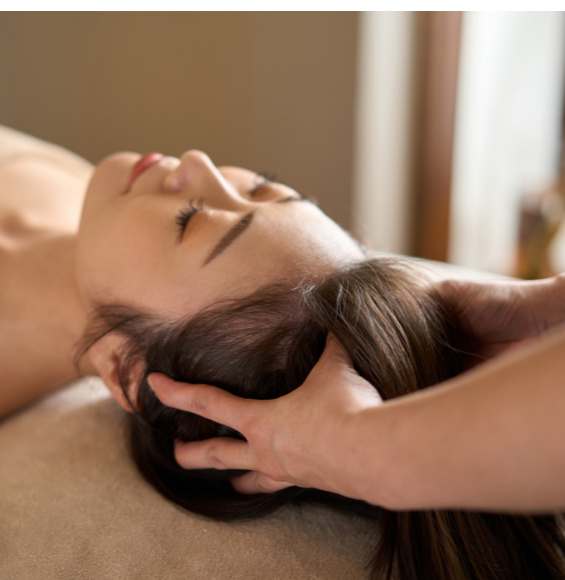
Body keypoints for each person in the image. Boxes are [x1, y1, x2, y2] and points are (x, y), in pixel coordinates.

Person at [2, 124, 564, 580]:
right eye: (262, 187)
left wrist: (366, 450)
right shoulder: (78, 197)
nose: (199, 162)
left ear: (125, 369)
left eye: (189, 222)